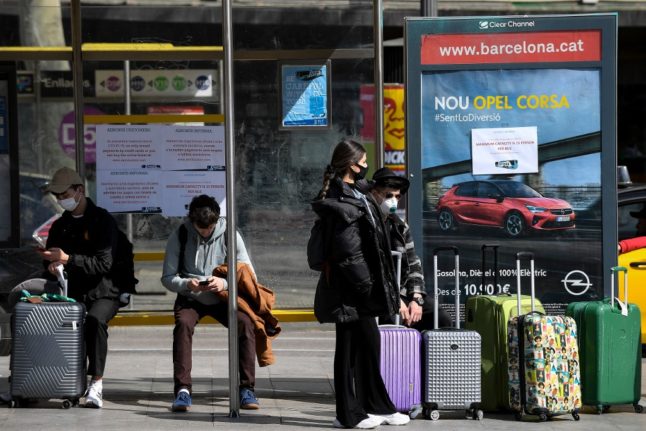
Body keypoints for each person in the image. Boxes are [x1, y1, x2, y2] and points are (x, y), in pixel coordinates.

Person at [311, 139, 410, 429]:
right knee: (349, 348)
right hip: (351, 288)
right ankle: (348, 415)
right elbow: (347, 252)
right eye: (363, 161)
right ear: (352, 164)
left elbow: (383, 192)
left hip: (362, 285)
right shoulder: (340, 199)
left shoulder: (355, 191)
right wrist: (366, 286)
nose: (366, 165)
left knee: (369, 343)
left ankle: (378, 406)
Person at [161, 194, 260, 412]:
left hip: (223, 297)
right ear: (191, 221)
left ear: (217, 220)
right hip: (191, 297)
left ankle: (247, 388)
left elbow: (249, 274)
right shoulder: (181, 234)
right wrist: (189, 284)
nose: (205, 232)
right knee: (183, 325)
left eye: (210, 228)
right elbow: (167, 277)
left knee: (245, 323)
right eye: (200, 228)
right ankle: (183, 389)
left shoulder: (230, 234)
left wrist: (224, 283)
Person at [37, 167, 123, 408]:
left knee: (95, 320)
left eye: (64, 194)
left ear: (79, 191)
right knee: (63, 322)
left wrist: (68, 259)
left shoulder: (103, 220)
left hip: (104, 290)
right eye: (57, 196)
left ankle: (96, 382)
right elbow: (52, 259)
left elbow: (104, 263)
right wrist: (53, 265)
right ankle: (68, 379)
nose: (60, 200)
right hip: (72, 290)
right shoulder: (60, 225)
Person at [369, 167, 452, 330]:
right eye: (388, 195)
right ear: (375, 194)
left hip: (402, 292)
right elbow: (372, 269)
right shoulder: (368, 224)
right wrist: (394, 299)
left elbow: (414, 264)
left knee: (441, 317)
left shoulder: (401, 227)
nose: (393, 200)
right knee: (393, 321)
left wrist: (417, 299)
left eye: (397, 196)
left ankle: (428, 355)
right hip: (378, 294)